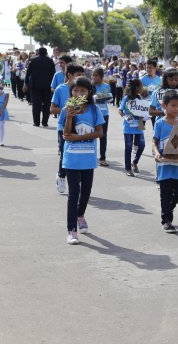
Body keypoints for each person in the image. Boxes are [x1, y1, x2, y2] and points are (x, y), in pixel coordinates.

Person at [59, 77, 105, 245]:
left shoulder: (94, 110)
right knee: (74, 194)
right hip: (71, 158)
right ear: (71, 92)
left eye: (83, 91)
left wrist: (80, 137)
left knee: (86, 191)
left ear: (89, 93)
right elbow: (66, 135)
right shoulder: (67, 109)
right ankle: (71, 230)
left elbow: (100, 132)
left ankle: (80, 215)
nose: (78, 93)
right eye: (75, 90)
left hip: (88, 157)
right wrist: (70, 116)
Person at [152, 90, 178, 233]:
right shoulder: (160, 124)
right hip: (164, 165)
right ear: (164, 105)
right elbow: (154, 142)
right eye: (173, 105)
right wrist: (157, 153)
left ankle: (169, 208)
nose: (176, 109)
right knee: (166, 194)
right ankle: (166, 220)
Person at [51, 62, 85, 193]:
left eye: (83, 75)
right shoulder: (60, 89)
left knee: (79, 152)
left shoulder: (85, 90)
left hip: (80, 126)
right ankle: (61, 176)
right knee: (65, 152)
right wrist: (68, 110)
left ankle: (78, 180)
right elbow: (52, 109)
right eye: (78, 75)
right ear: (70, 75)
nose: (81, 77)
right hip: (63, 126)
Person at [119, 79, 146, 177]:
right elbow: (120, 110)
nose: (142, 88)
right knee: (129, 147)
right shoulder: (127, 98)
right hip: (128, 125)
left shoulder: (140, 97)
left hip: (139, 123)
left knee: (142, 145)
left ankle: (134, 162)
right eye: (141, 86)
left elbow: (144, 110)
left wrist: (146, 116)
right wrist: (126, 117)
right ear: (136, 88)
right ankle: (128, 168)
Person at [24, 47, 55, 127]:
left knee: (36, 105)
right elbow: (53, 74)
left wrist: (25, 83)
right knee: (47, 104)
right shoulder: (50, 61)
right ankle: (45, 122)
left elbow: (28, 74)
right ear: (46, 53)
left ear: (38, 53)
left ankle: (36, 122)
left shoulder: (33, 61)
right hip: (47, 86)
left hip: (35, 86)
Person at [92, 68, 112, 166]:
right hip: (92, 114)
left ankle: (102, 157)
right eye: (93, 75)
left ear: (101, 77)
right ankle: (91, 156)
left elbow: (108, 97)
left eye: (96, 76)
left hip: (104, 114)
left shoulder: (106, 86)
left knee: (103, 136)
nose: (94, 78)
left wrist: (99, 97)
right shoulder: (90, 86)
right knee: (92, 135)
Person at [141, 59, 162, 127]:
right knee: (140, 127)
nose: (148, 69)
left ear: (155, 68)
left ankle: (155, 137)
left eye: (150, 67)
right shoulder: (142, 79)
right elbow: (138, 93)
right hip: (143, 107)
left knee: (156, 127)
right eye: (147, 67)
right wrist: (143, 92)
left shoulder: (160, 80)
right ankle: (138, 137)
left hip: (154, 107)